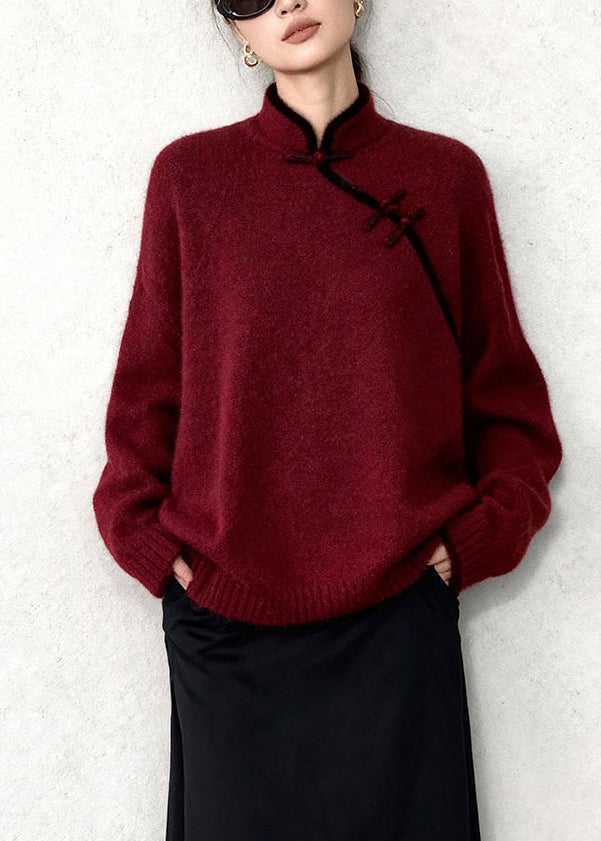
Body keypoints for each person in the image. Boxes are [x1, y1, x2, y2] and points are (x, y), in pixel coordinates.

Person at [92, 1, 563, 838]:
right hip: (227, 627)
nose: (286, 3)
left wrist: (476, 539)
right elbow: (146, 394)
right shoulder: (190, 179)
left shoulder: (445, 177)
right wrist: (153, 547)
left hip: (397, 619)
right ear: (236, 33)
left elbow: (507, 403)